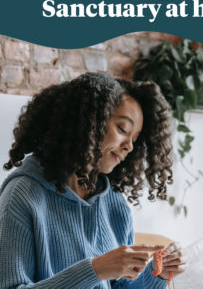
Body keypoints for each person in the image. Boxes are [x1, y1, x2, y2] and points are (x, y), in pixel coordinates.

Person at [0, 72, 188, 289]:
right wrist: (96, 269)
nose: (129, 146)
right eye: (122, 129)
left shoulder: (114, 203)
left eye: (135, 139)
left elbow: (121, 286)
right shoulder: (22, 196)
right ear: (88, 122)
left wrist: (158, 274)